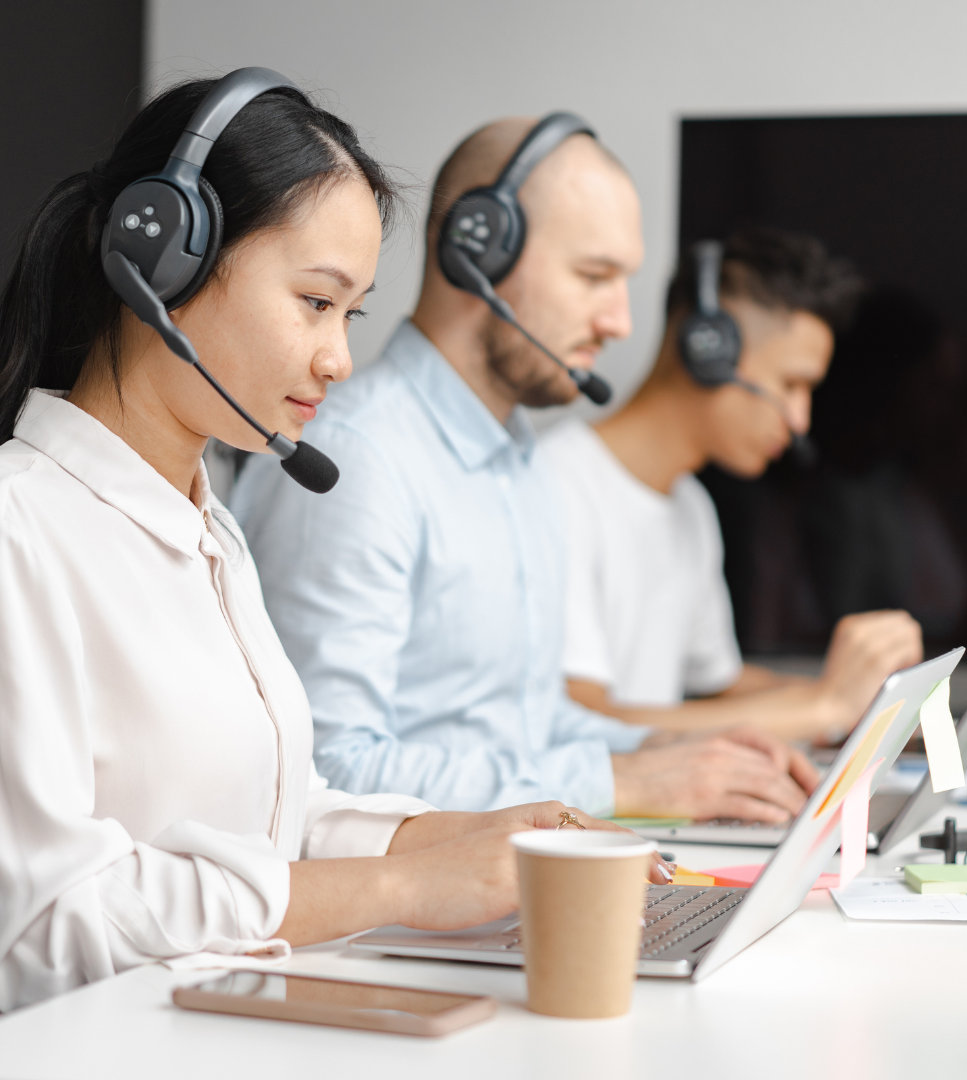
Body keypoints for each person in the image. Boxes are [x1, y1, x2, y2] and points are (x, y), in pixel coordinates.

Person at [0, 74, 660, 1014]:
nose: (339, 357)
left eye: (349, 315)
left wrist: (458, 839)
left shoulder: (208, 530)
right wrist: (399, 890)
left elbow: (276, 814)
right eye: (316, 302)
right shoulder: (20, 531)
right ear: (164, 261)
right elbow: (39, 929)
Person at [232, 116, 818, 821]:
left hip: (503, 888)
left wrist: (675, 752)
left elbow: (530, 729)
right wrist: (627, 786)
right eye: (594, 276)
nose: (620, 322)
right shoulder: (360, 462)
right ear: (480, 247)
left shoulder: (520, 464)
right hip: (387, 922)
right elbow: (325, 770)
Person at [538, 230, 924, 743]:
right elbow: (584, 724)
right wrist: (820, 708)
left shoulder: (690, 507)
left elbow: (721, 687)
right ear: (707, 347)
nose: (800, 421)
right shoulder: (556, 486)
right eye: (791, 384)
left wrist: (865, 700)